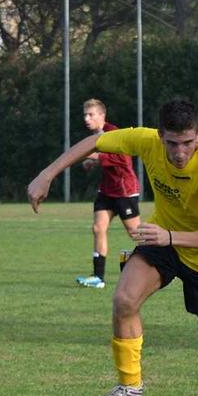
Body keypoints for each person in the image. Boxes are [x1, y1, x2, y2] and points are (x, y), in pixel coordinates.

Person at [27, 98, 198, 396]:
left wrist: (169, 237)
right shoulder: (147, 142)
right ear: (160, 135)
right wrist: (47, 174)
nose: (179, 152)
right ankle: (130, 385)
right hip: (164, 241)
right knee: (123, 300)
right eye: (172, 143)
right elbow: (95, 141)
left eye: (188, 142)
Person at [75, 99, 142, 289]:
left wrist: (90, 156)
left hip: (124, 190)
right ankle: (98, 277)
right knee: (98, 228)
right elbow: (104, 157)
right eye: (85, 115)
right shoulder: (96, 136)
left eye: (91, 115)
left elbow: (120, 157)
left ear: (102, 116)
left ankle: (166, 264)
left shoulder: (113, 132)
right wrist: (93, 161)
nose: (86, 119)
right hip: (106, 190)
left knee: (136, 234)